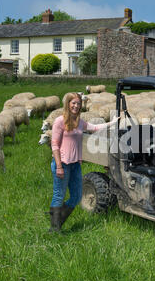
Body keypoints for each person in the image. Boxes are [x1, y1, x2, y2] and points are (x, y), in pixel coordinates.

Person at [49, 92, 117, 232]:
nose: (76, 106)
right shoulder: (59, 121)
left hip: (75, 165)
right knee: (59, 194)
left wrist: (113, 122)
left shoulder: (80, 122)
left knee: (77, 196)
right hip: (62, 164)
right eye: (73, 103)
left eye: (78, 103)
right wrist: (59, 166)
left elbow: (96, 128)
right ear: (68, 104)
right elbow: (54, 144)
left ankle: (58, 218)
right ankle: (55, 228)